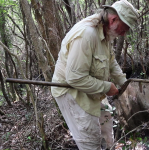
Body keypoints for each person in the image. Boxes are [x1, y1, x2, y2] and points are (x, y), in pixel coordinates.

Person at [51, 0, 139, 149]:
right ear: (113, 20)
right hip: (71, 92)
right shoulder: (86, 35)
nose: (123, 34)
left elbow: (111, 62)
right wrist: (106, 87)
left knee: (106, 126)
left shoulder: (105, 32)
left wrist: (125, 84)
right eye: (123, 29)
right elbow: (74, 77)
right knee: (90, 138)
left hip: (90, 87)